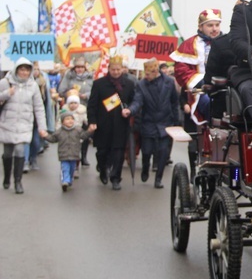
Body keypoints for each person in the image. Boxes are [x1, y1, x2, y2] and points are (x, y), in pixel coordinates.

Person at [171, 8, 224, 177]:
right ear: (201, 27)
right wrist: (199, 81)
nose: (214, 29)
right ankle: (214, 133)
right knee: (209, 102)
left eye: (216, 25)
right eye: (210, 25)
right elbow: (180, 69)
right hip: (200, 91)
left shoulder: (227, 41)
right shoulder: (189, 44)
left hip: (225, 88)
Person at [127, 58, 179, 188]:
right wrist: (130, 110)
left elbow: (174, 102)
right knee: (146, 151)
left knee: (162, 152)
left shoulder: (169, 82)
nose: (146, 76)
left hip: (165, 121)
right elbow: (137, 101)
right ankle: (145, 167)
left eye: (148, 74)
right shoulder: (141, 84)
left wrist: (177, 122)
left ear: (156, 72)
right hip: (148, 121)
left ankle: (158, 179)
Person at [0, 57, 48, 194]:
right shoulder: (5, 82)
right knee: (8, 153)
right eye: (22, 69)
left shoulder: (33, 86)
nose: (24, 73)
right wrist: (6, 94)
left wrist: (42, 127)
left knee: (20, 150)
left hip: (24, 123)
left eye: (27, 70)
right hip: (7, 123)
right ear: (16, 69)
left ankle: (18, 181)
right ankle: (7, 178)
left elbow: (39, 107)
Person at [87, 55, 135, 191]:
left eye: (118, 69)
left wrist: (129, 110)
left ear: (122, 69)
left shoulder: (128, 84)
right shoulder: (99, 84)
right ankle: (103, 169)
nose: (115, 72)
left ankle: (115, 178)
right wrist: (92, 121)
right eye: (113, 69)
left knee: (118, 153)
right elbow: (92, 105)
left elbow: (133, 102)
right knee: (102, 152)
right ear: (109, 69)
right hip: (103, 124)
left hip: (121, 124)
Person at [44, 110, 94, 191]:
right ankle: (65, 181)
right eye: (67, 119)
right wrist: (45, 136)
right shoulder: (59, 131)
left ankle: (69, 180)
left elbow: (84, 136)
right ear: (63, 122)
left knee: (72, 169)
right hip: (63, 155)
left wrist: (90, 131)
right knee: (65, 169)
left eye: (71, 119)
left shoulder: (78, 130)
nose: (70, 121)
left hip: (74, 154)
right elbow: (53, 139)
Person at [58, 57, 94, 166]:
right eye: (77, 67)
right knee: (72, 133)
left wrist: (85, 95)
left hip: (85, 108)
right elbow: (61, 90)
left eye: (81, 67)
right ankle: (73, 155)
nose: (79, 69)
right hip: (71, 109)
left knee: (84, 132)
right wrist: (71, 93)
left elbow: (94, 91)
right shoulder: (69, 76)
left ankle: (84, 156)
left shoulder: (90, 78)